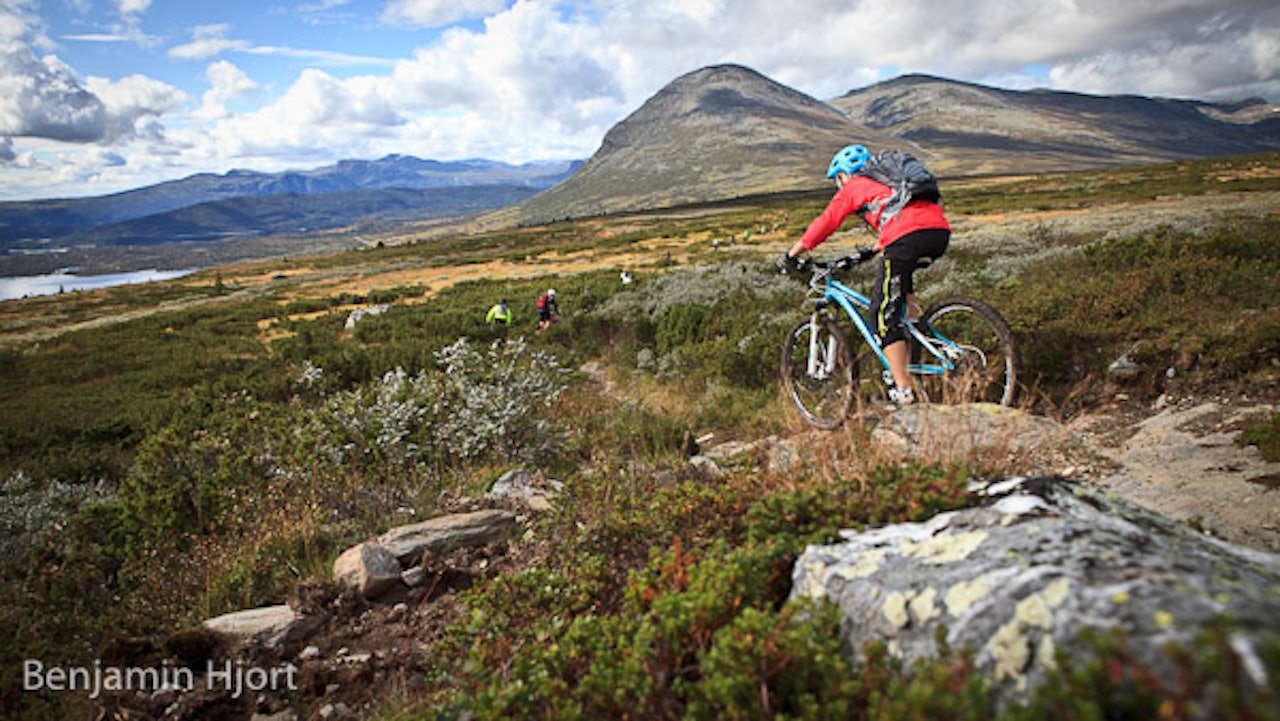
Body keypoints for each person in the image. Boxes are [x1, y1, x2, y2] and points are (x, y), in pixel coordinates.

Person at [777, 144, 951, 406]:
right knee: (901, 294)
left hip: (905, 237)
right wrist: (871, 250)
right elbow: (902, 218)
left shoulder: (855, 185)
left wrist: (792, 254)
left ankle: (904, 389)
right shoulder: (889, 183)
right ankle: (918, 339)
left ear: (844, 174)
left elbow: (827, 221)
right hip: (938, 232)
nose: (839, 184)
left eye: (838, 179)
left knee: (880, 314)